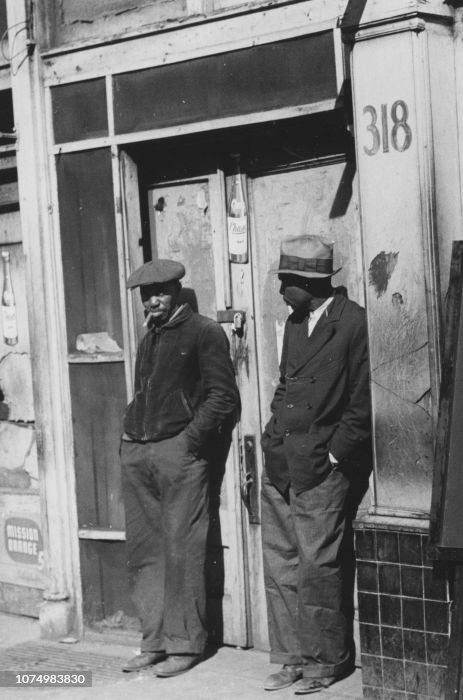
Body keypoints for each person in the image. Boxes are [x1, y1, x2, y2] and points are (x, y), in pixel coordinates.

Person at [260, 235, 372, 694]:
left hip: (323, 468)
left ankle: (325, 664)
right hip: (283, 461)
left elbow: (362, 401)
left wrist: (332, 454)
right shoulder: (294, 323)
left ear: (310, 282)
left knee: (318, 566)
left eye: (286, 280)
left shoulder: (353, 323)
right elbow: (286, 386)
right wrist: (270, 438)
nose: (280, 288)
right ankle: (291, 658)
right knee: (282, 564)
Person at [120, 259, 240, 677]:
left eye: (160, 292)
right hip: (139, 452)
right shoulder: (148, 337)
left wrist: (185, 443)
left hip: (178, 455)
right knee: (145, 551)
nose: (152, 301)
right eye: (145, 294)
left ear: (175, 292)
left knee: (182, 549)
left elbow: (223, 398)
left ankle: (185, 645)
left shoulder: (204, 332)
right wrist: (131, 440)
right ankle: (153, 642)